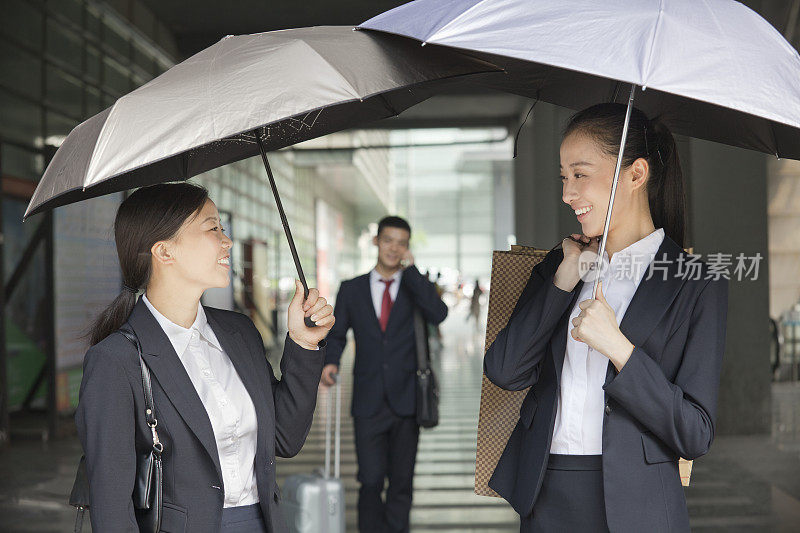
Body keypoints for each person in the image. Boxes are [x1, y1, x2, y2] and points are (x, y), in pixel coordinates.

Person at [483, 103, 729, 532]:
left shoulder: (696, 282)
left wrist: (619, 348)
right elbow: (505, 370)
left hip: (641, 506)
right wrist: (561, 283)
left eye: (581, 174)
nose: (567, 193)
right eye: (563, 177)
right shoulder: (560, 266)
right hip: (547, 496)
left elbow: (695, 432)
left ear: (636, 174)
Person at [76, 183, 334, 533]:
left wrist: (302, 343)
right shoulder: (116, 361)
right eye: (212, 228)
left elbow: (284, 438)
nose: (226, 241)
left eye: (222, 228)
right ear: (164, 251)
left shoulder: (239, 332)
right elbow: (111, 508)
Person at [320, 216, 448, 533]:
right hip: (368, 400)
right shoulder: (352, 289)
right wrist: (330, 362)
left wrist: (414, 272)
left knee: (401, 482)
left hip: (407, 400)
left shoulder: (414, 287)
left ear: (407, 249)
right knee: (371, 480)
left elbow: (439, 314)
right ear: (377, 241)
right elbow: (337, 335)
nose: (394, 248)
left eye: (401, 243)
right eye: (388, 240)